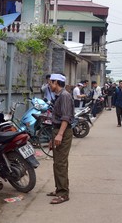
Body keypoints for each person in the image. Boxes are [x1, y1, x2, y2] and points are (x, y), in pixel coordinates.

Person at [46, 73, 74, 204]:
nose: (49, 84)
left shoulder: (65, 96)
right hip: (56, 130)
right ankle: (59, 189)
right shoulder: (58, 96)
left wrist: (60, 134)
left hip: (63, 131)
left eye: (50, 82)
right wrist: (54, 136)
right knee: (57, 162)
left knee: (61, 163)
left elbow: (66, 117)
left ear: (56, 82)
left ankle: (63, 193)